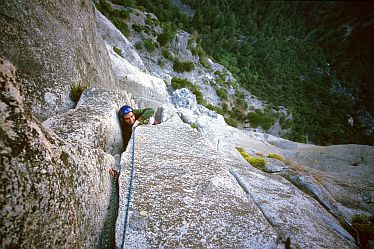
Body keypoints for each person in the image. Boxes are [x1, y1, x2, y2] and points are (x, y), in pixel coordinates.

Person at [108, 105, 157, 177]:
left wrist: (139, 121)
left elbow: (151, 110)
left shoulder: (135, 112)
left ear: (133, 114)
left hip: (148, 129)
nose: (131, 120)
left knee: (150, 120)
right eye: (127, 119)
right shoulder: (125, 128)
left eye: (132, 116)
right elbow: (126, 145)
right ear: (123, 120)